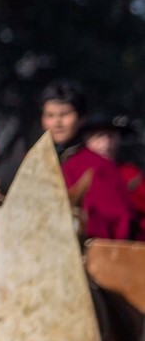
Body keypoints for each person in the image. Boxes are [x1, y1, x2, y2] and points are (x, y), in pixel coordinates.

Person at [44, 81, 137, 241]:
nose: (57, 122)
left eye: (65, 114)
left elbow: (119, 221)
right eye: (50, 115)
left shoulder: (97, 165)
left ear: (81, 119)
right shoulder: (34, 162)